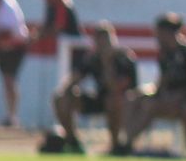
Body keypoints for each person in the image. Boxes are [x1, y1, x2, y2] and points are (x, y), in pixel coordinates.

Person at [120, 14, 186, 157]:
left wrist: (176, 97)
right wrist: (144, 94)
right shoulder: (166, 54)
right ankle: (124, 140)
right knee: (132, 99)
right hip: (168, 99)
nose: (157, 38)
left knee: (155, 106)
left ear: (169, 33)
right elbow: (162, 84)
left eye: (159, 33)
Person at [49, 22, 136, 152]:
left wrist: (108, 63)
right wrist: (68, 88)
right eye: (99, 41)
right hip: (100, 99)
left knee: (113, 100)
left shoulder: (123, 58)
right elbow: (74, 80)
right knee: (60, 98)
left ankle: (116, 146)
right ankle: (72, 141)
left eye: (105, 41)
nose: (102, 45)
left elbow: (115, 88)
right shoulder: (93, 58)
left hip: (123, 103)